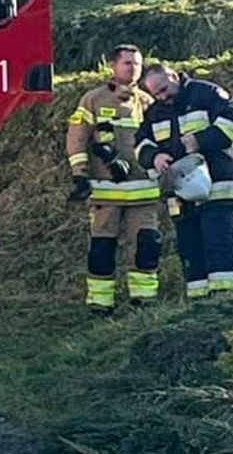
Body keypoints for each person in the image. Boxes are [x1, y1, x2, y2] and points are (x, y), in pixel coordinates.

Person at [136, 63, 233, 299]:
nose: (162, 96)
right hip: (180, 193)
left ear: (174, 76)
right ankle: (198, 305)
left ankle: (224, 301)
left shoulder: (206, 93)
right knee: (190, 251)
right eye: (156, 94)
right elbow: (141, 145)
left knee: (217, 245)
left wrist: (201, 140)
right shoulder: (155, 111)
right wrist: (154, 157)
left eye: (164, 89)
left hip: (215, 188)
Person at [66, 44, 160, 314]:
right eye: (127, 63)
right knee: (102, 248)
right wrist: (80, 175)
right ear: (112, 66)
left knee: (147, 245)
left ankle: (143, 302)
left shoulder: (147, 102)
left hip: (144, 191)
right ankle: (100, 303)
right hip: (106, 192)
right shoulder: (93, 100)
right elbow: (77, 138)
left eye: (138, 64)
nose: (133, 68)